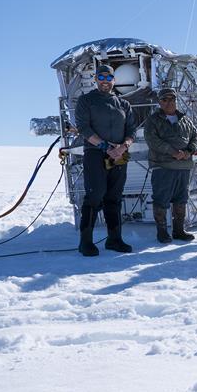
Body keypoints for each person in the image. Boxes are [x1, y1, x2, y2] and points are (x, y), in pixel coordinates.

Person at [74, 64, 137, 256]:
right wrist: (105, 147)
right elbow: (84, 128)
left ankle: (114, 239)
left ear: (114, 81)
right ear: (96, 79)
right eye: (102, 78)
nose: (105, 82)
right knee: (95, 195)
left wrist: (123, 147)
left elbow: (131, 130)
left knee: (114, 197)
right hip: (95, 153)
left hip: (118, 155)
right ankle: (85, 242)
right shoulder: (87, 100)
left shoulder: (124, 104)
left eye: (109, 78)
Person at [144, 88, 197, 243]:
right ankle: (161, 232)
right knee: (161, 200)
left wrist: (188, 152)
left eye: (172, 99)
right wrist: (173, 152)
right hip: (163, 166)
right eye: (165, 99)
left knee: (181, 200)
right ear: (159, 102)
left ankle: (179, 230)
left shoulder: (185, 120)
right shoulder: (153, 120)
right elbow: (152, 140)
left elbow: (195, 138)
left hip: (183, 167)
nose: (169, 102)